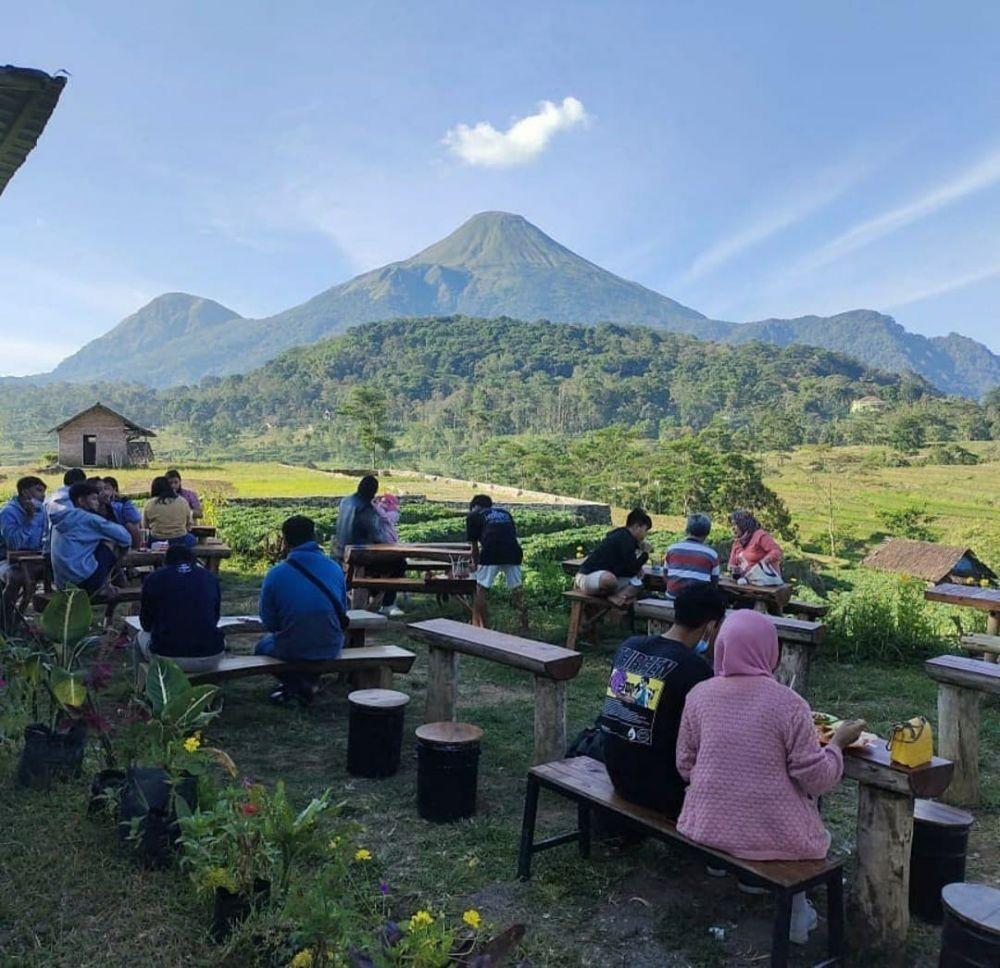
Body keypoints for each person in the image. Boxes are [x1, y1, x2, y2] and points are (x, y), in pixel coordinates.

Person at [675, 610, 866, 945]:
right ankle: (796, 916)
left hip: (704, 824)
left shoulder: (699, 695)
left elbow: (685, 765)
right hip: (770, 833)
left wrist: (722, 776)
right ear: (770, 650)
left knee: (743, 819)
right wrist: (837, 744)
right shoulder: (790, 705)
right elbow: (817, 779)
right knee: (813, 829)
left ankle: (725, 867)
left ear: (722, 647)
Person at [598, 584, 727, 817]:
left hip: (617, 770)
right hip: (660, 789)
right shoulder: (694, 669)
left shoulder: (629, 647)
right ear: (711, 625)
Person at [258, 515, 349, 705]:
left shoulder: (275, 574)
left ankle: (297, 684)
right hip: (331, 645)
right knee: (311, 644)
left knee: (262, 647)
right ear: (315, 536)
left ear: (286, 541)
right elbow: (343, 608)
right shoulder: (334, 568)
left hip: (292, 647)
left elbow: (269, 622)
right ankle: (309, 682)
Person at [136, 545, 224, 673]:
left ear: (165, 561)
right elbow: (215, 617)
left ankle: (144, 687)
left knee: (138, 639)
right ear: (194, 561)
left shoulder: (154, 578)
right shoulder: (210, 577)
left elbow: (146, 624)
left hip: (167, 656)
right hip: (211, 656)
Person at [49, 481, 131, 594]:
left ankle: (109, 583)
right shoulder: (88, 518)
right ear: (81, 501)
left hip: (63, 584)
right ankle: (106, 584)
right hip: (85, 582)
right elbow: (125, 537)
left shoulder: (60, 519)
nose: (97, 503)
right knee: (110, 541)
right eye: (93, 499)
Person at [466, 494, 524, 630]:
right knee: (517, 588)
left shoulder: (473, 516)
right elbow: (510, 534)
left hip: (492, 550)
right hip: (513, 550)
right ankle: (524, 624)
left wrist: (475, 565)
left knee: (481, 588)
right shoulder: (504, 513)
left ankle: (484, 627)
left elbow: (474, 546)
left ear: (474, 506)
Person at [575, 508, 653, 606]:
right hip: (587, 577)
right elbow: (632, 568)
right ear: (637, 527)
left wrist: (638, 568)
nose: (645, 535)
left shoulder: (624, 536)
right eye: (646, 530)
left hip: (604, 581)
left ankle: (618, 596)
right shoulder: (625, 539)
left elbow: (629, 568)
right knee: (609, 580)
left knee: (639, 583)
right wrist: (645, 554)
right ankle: (617, 596)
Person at [0, 476, 47, 617]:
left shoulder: (41, 511)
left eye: (44, 492)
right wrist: (29, 520)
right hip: (7, 560)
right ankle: (5, 619)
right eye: (38, 491)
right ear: (25, 492)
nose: (43, 496)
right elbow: (14, 544)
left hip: (33, 558)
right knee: (16, 577)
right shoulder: (8, 513)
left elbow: (44, 537)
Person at [664, 512, 720, 598]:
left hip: (673, 597)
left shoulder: (672, 549)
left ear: (687, 530)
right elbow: (714, 582)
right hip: (698, 601)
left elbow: (665, 574)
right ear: (707, 533)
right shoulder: (712, 554)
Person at [331, 475, 382, 563]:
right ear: (373, 492)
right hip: (356, 554)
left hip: (340, 550)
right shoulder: (365, 507)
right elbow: (375, 533)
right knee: (398, 562)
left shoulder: (345, 501)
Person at [371, 492, 405, 618]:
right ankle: (382, 600)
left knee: (399, 565)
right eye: (382, 501)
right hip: (378, 547)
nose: (383, 504)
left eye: (386, 502)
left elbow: (385, 518)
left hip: (390, 545)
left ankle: (387, 601)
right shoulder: (376, 513)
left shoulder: (394, 514)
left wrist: (376, 507)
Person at [728, 510, 783, 581]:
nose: (733, 528)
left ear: (743, 524)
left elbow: (777, 552)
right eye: (731, 525)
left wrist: (764, 562)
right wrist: (735, 569)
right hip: (745, 583)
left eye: (735, 525)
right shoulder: (737, 543)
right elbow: (731, 565)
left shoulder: (760, 535)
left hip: (766, 584)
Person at [143, 476, 195, 548]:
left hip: (157, 540)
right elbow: (189, 524)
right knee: (192, 538)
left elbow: (145, 526)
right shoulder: (183, 501)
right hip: (180, 539)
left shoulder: (149, 504)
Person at [103, 476, 142, 547]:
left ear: (114, 490)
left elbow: (136, 519)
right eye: (102, 489)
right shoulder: (98, 504)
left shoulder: (123, 503)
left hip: (122, 532)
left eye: (107, 489)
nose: (105, 492)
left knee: (131, 525)